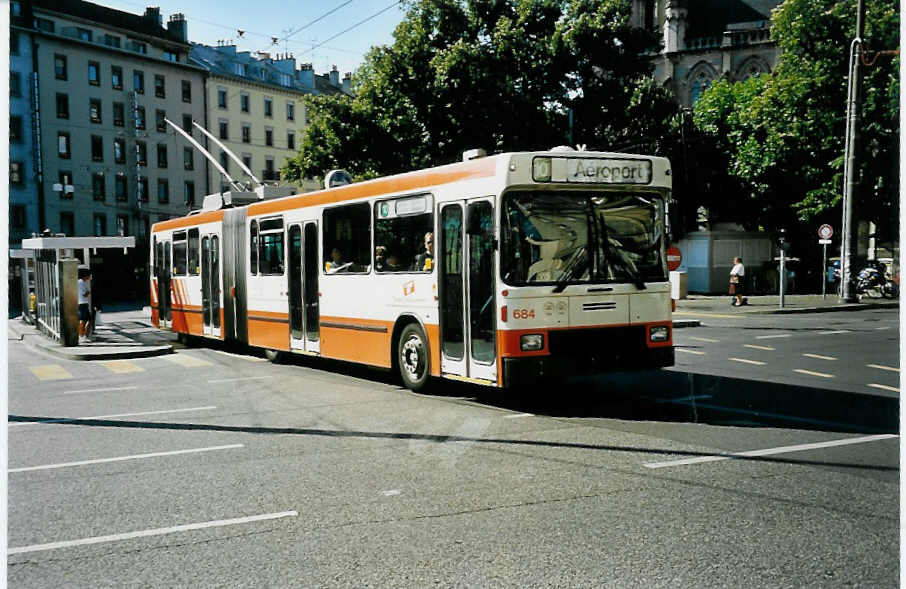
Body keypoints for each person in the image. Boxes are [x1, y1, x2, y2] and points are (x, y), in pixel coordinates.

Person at [78, 268, 92, 342]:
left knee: (86, 319)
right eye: (89, 275)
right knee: (84, 320)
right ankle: (82, 336)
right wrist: (88, 292)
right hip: (82, 303)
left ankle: (84, 335)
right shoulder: (81, 282)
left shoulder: (79, 282)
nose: (90, 276)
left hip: (81, 303)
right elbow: (84, 294)